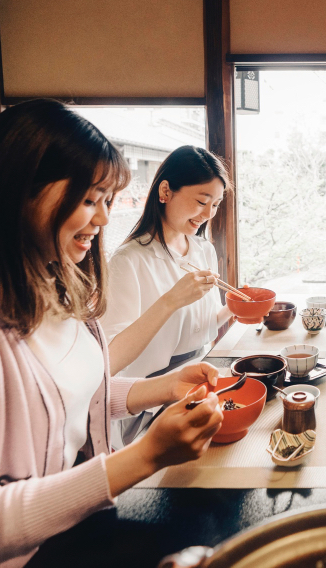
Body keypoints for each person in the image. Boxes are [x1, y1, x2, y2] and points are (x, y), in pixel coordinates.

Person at [0, 100, 224, 568]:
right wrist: (145, 456)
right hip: (15, 554)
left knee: (212, 538)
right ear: (19, 190)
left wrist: (162, 388)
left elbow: (64, 394)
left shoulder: (48, 278)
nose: (104, 219)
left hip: (63, 526)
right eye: (89, 199)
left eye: (106, 201)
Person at [102, 146, 234, 445]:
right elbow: (110, 357)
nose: (209, 213)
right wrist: (171, 300)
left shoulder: (203, 250)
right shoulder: (128, 260)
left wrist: (236, 309)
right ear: (165, 191)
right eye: (202, 201)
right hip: (149, 402)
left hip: (199, 382)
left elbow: (202, 329)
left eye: (216, 204)